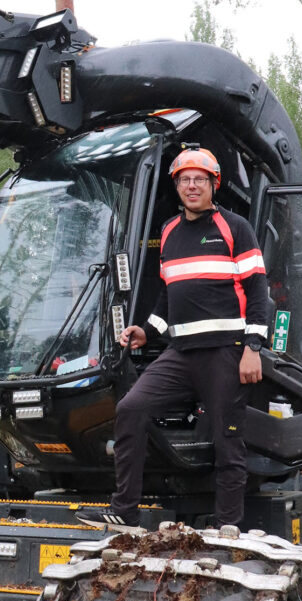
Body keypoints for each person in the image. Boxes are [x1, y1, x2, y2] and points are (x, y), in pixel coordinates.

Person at [75, 145, 268, 532]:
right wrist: (147, 331)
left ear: (214, 184)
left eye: (199, 179)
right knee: (131, 408)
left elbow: (258, 290)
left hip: (226, 353)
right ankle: (124, 511)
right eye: (184, 180)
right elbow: (168, 297)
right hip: (180, 355)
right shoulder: (168, 232)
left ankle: (229, 526)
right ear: (176, 186)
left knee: (227, 439)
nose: (192, 186)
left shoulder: (235, 228)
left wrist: (253, 349)